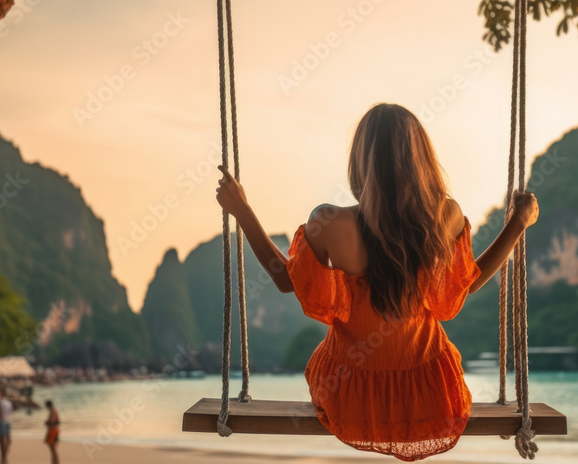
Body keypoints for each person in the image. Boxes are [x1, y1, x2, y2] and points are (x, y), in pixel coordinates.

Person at [216, 103, 538, 461]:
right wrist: (517, 224)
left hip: (349, 394)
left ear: (360, 162)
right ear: (421, 160)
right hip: (431, 392)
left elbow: (286, 280)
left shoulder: (328, 222)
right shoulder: (444, 215)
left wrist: (242, 211)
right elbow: (467, 283)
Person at [44, 400, 61, 464]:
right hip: (54, 430)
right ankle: (54, 462)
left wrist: (47, 423)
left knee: (53, 448)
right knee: (53, 448)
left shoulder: (52, 411)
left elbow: (52, 421)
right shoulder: (53, 411)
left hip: (53, 430)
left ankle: (55, 462)